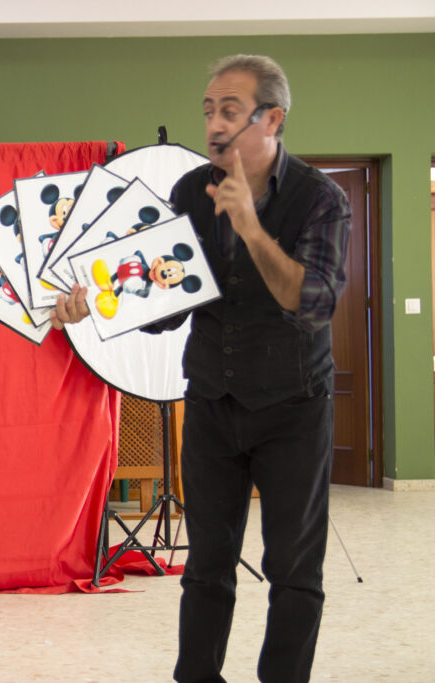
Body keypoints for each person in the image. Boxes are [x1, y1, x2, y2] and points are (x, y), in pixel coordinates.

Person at [52, 54, 351, 683]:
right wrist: (93, 307)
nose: (213, 124)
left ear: (273, 119)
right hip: (213, 401)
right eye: (209, 110)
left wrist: (250, 226)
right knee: (206, 565)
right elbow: (164, 306)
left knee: (294, 570)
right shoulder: (190, 192)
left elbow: (314, 303)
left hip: (295, 406)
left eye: (230, 111)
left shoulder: (321, 199)